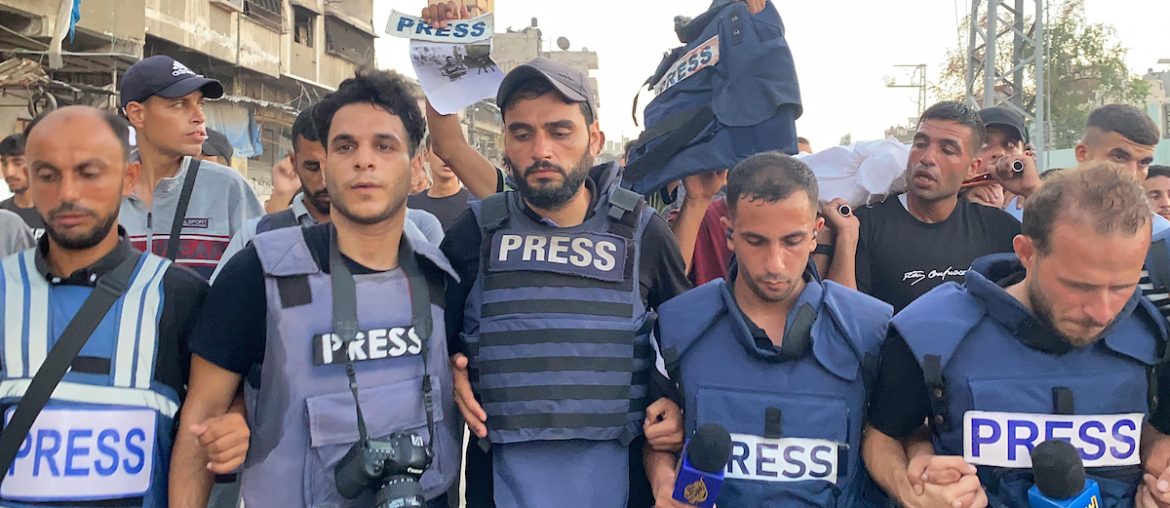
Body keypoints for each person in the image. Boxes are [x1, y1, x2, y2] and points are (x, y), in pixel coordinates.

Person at [171, 69, 461, 508]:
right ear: (324, 164)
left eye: (384, 146)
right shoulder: (257, 275)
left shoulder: (441, 279)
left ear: (416, 165)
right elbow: (200, 424)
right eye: (346, 146)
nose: (364, 161)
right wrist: (239, 414)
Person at [439, 57, 690, 508]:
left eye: (560, 131)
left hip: (621, 483)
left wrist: (675, 404)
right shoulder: (474, 233)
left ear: (594, 138)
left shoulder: (643, 232)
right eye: (522, 133)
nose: (541, 150)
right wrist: (448, 371)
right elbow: (427, 343)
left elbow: (688, 347)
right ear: (505, 142)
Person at [863, 162, 1170, 507]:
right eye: (1078, 286)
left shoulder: (1151, 334)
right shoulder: (932, 333)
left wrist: (1158, 455)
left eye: (1122, 287)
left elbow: (1152, 429)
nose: (1102, 313)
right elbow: (882, 435)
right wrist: (909, 489)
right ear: (1027, 253)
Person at [0, 106, 242, 506]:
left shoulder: (180, 298)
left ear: (128, 178)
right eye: (47, 175)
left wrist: (237, 421)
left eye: (89, 173)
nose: (68, 193)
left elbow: (216, 405)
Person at [646, 152, 892, 506]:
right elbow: (656, 439)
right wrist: (662, 480)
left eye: (792, 241)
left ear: (815, 233)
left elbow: (898, 439)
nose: (775, 264)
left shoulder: (871, 331)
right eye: (756, 241)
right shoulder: (679, 327)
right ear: (729, 233)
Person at [822, 101, 1022, 312]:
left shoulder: (998, 228)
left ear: (972, 168)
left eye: (947, 150)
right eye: (920, 144)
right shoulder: (864, 226)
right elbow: (844, 319)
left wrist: (1032, 190)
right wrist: (845, 238)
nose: (927, 158)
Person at [213, 105, 445, 280]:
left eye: (333, 166)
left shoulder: (403, 234)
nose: (324, 180)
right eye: (313, 167)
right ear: (294, 162)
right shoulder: (256, 236)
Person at [118, 55, 263, 279]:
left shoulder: (227, 189)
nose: (199, 117)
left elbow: (263, 278)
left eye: (200, 104)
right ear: (137, 113)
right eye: (179, 104)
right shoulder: (103, 191)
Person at [964, 107, 1031, 218]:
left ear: (1026, 155)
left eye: (1010, 144)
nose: (1000, 153)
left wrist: (1033, 194)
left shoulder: (1035, 205)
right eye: (984, 144)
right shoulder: (945, 201)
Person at [408, 138, 472, 232]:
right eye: (440, 150)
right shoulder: (410, 206)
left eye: (453, 151)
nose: (446, 157)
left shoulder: (473, 206)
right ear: (426, 155)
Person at [0, 133, 47, 238]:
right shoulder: (2, 213)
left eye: (18, 163)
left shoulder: (53, 212)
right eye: (4, 163)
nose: (9, 172)